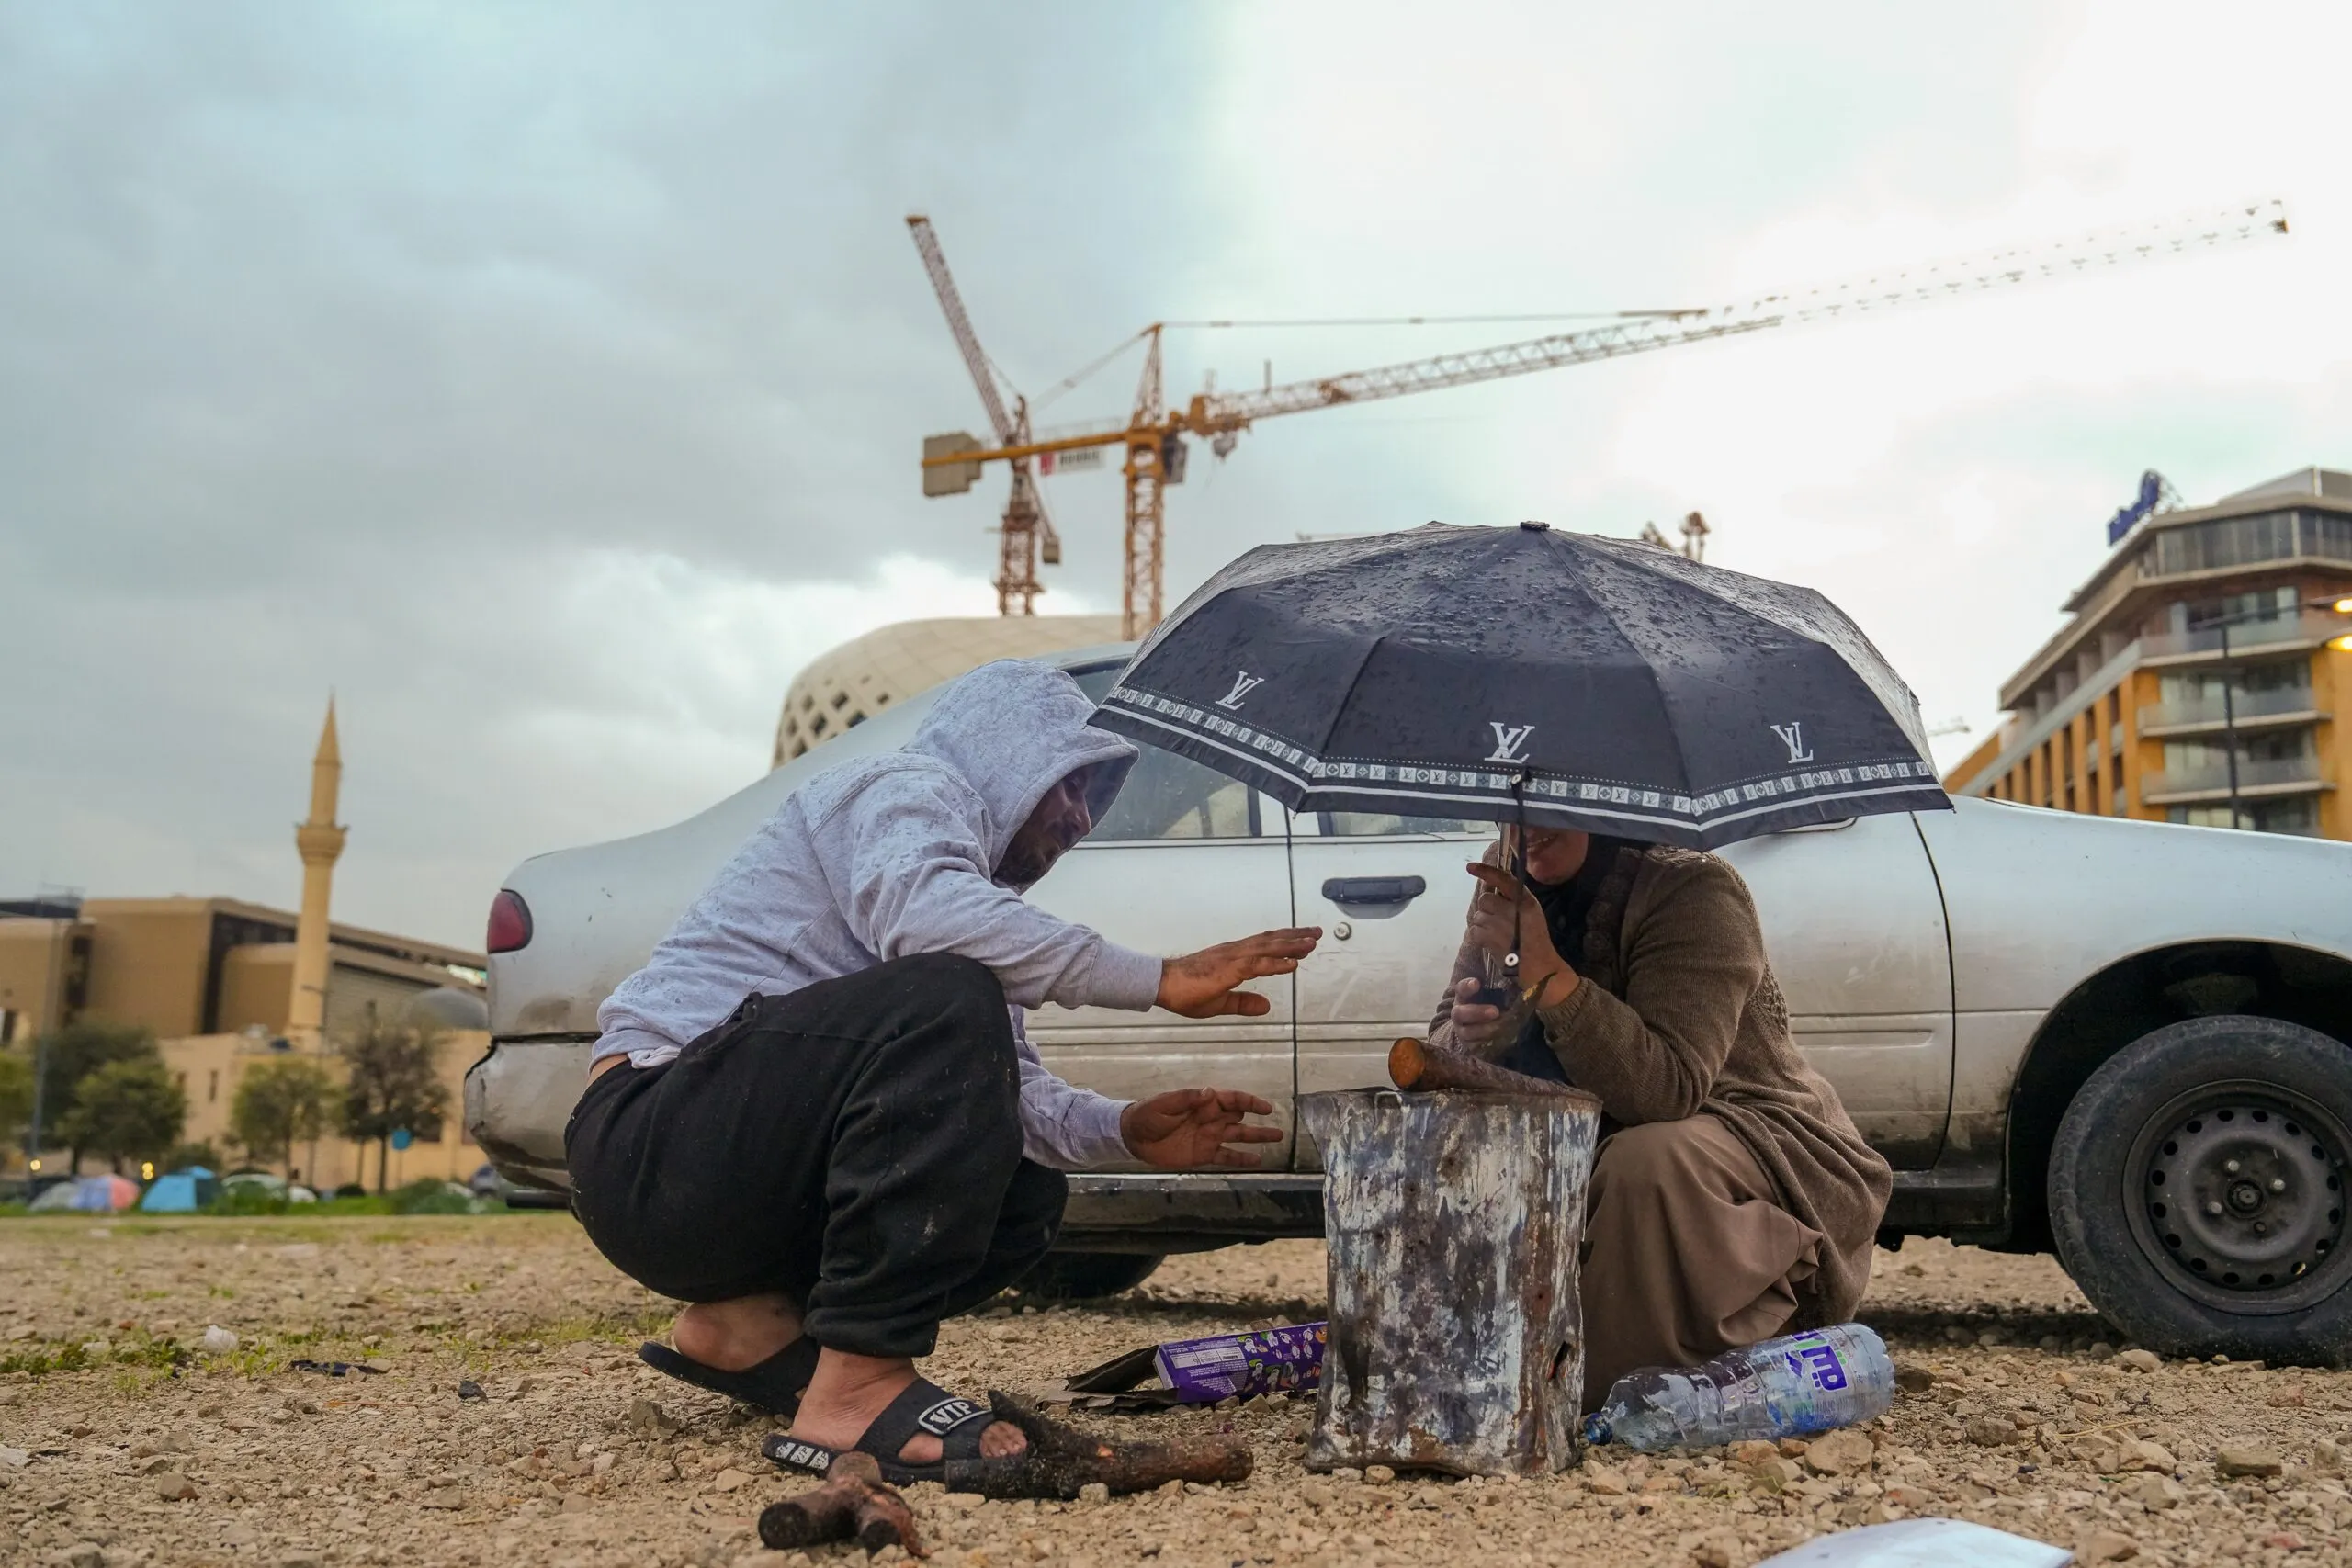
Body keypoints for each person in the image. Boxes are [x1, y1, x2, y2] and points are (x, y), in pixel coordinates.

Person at [568, 659, 1318, 1485]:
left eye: (1093, 796)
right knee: (947, 996)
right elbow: (931, 925)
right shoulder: (901, 790)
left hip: (719, 1181)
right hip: (654, 1141)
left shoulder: (970, 907)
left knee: (1022, 1191)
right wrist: (1159, 977)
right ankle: (856, 1390)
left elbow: (1000, 1095)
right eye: (1070, 782)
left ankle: (750, 1329)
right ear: (1007, 753)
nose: (1080, 817)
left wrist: (1125, 1128)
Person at [1429, 826, 1891, 1409]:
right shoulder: (1506, 868)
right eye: (1512, 809)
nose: (1527, 831)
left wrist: (1551, 979)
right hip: (1583, 1134)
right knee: (1449, 1143)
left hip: (1755, 1130)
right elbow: (1444, 1035)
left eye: (1550, 804)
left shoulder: (1693, 888)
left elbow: (1669, 1091)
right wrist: (1473, 1034)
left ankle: (1612, 1389)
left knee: (1644, 1161)